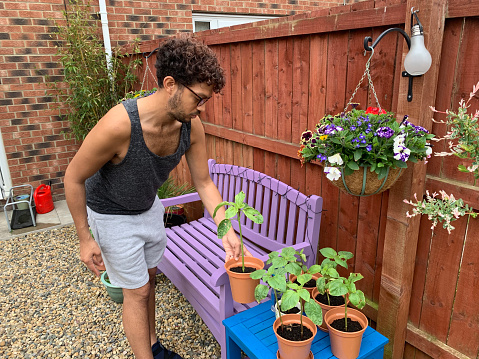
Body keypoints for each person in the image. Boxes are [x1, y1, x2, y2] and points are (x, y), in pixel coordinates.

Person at [64, 37, 252, 359]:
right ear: (170, 84)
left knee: (148, 281)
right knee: (136, 292)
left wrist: (227, 230)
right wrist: (85, 238)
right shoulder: (119, 125)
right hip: (110, 212)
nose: (203, 108)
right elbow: (73, 177)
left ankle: (152, 346)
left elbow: (204, 182)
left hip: (147, 207)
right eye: (199, 98)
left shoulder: (191, 128)